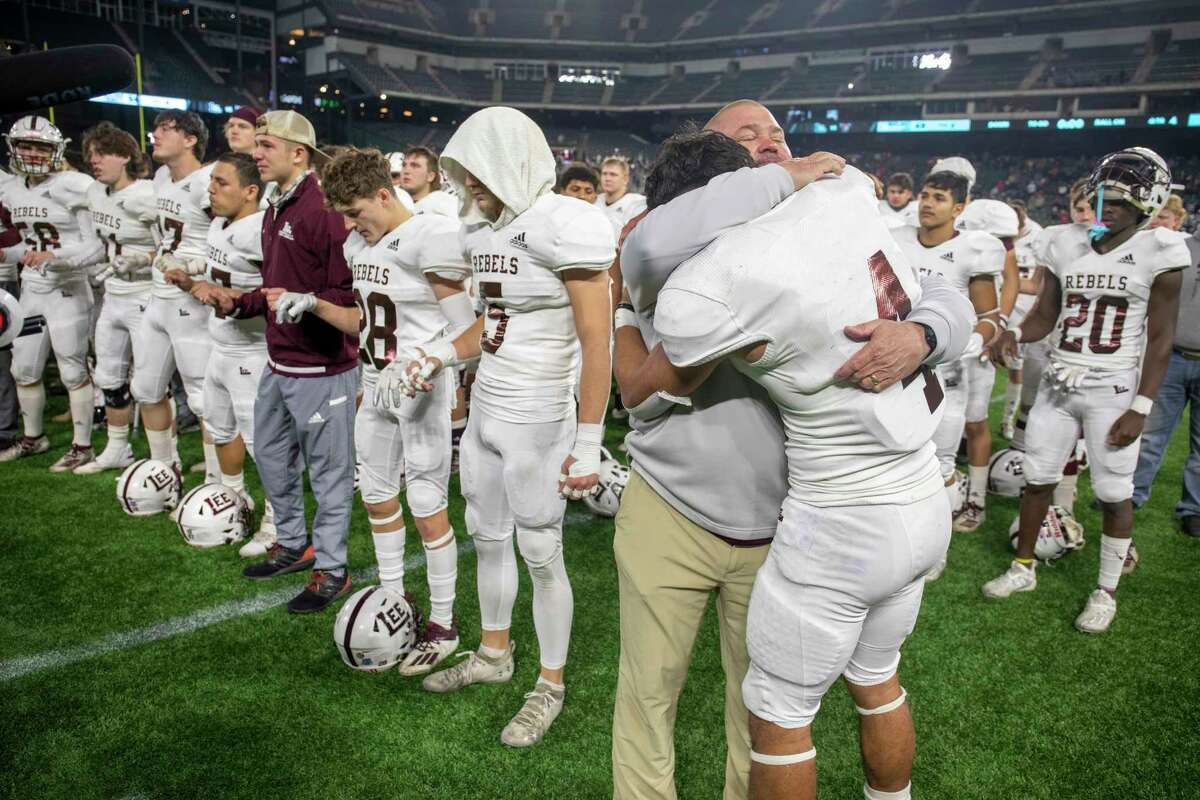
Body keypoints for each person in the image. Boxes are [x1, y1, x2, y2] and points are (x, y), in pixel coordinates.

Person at [611, 100, 972, 800]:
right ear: (710, 171)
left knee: (767, 715)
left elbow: (941, 290)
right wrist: (626, 306)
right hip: (676, 504)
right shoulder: (667, 241)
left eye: (778, 135)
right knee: (651, 694)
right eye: (747, 140)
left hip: (792, 521)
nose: (770, 146)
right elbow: (641, 384)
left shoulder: (826, 210)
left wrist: (923, 335)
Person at [396, 107, 615, 748]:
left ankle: (550, 681)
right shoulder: (480, 231)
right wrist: (437, 353)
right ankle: (494, 653)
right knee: (485, 535)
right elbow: (489, 326)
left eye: (479, 171)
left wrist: (590, 440)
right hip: (490, 404)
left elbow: (596, 343)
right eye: (462, 173)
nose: (469, 185)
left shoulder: (565, 225)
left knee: (541, 550)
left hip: (541, 413)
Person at [984, 147, 1187, 635]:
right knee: (1038, 478)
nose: (1106, 206)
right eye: (1103, 196)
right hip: (1058, 381)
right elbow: (1046, 316)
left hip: (1112, 388)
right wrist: (1015, 333)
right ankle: (1023, 567)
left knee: (1115, 493)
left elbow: (1160, 340)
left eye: (1118, 199)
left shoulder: (1161, 251)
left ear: (1147, 202)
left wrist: (1141, 405)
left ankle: (1106, 590)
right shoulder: (1064, 243)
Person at [320, 147, 473, 672]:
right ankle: (394, 600)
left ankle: (443, 624)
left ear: (384, 194)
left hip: (421, 392)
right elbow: (368, 325)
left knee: (428, 508)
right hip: (374, 386)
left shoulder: (431, 236)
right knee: (380, 500)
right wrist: (314, 305)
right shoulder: (358, 245)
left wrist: (425, 363)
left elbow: (469, 330)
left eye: (357, 212)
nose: (351, 224)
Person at [213, 110, 357, 614]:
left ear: (299, 153)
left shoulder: (324, 208)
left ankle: (333, 570)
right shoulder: (278, 204)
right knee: (272, 458)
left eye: (266, 146)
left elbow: (347, 293)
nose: (256, 154)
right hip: (280, 359)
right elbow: (277, 288)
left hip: (322, 367)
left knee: (329, 473)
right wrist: (241, 301)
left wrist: (307, 301)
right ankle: (295, 544)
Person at [164, 151, 276, 556]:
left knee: (261, 442)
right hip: (222, 344)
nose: (211, 189)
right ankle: (235, 499)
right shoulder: (217, 223)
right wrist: (189, 271)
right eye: (211, 182)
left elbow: (279, 289)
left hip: (254, 349)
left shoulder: (264, 229)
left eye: (221, 183)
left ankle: (276, 520)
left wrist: (222, 293)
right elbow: (219, 267)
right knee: (220, 425)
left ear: (250, 191)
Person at [891, 171, 1004, 556]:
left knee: (940, 464)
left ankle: (936, 548)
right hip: (898, 366)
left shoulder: (974, 249)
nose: (926, 203)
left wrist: (975, 338)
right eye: (924, 195)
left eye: (938, 198)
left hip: (947, 373)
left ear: (959, 207)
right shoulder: (895, 238)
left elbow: (991, 315)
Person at [0, 115, 102, 469]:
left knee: (72, 370)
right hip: (31, 290)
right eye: (25, 145)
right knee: (23, 368)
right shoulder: (11, 188)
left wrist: (55, 257)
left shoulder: (75, 184)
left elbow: (96, 245)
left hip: (67, 290)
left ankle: (83, 445)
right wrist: (7, 253)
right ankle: (33, 437)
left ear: (55, 150)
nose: (31, 153)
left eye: (39, 146)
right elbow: (27, 246)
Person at [134, 110, 217, 477]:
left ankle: (220, 481)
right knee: (146, 388)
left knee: (202, 398)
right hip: (158, 298)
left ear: (190, 139)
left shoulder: (207, 181)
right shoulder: (162, 176)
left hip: (191, 300)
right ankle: (164, 472)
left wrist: (197, 266)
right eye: (156, 128)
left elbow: (235, 239)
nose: (156, 135)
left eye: (166, 129)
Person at [73, 122, 157, 475]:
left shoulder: (146, 195)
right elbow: (98, 244)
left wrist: (144, 259)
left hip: (146, 294)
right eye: (90, 154)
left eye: (102, 153)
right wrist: (64, 260)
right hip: (114, 295)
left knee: (150, 383)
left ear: (125, 155)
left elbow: (171, 246)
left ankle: (163, 459)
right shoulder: (94, 192)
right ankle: (117, 448)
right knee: (108, 376)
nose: (94, 160)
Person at [1131, 225, 1200, 537]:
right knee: (1150, 435)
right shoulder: (1177, 248)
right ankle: (1130, 495)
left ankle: (1194, 509)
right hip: (1169, 356)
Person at [398, 146, 458, 218]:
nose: (406, 171)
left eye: (415, 166)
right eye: (404, 165)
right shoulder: (394, 204)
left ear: (431, 176)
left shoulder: (445, 204)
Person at [595, 156, 647, 238]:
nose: (607, 178)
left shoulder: (638, 203)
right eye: (604, 174)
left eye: (613, 174)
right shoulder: (595, 200)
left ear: (625, 179)